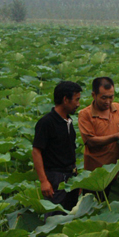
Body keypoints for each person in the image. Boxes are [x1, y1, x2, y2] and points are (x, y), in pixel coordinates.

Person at [32, 80, 82, 211]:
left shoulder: (69, 122)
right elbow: (36, 151)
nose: (78, 104)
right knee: (55, 216)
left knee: (71, 214)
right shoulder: (46, 122)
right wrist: (44, 181)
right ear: (65, 99)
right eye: (76, 100)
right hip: (55, 178)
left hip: (71, 175)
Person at [78, 76, 119, 172]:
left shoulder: (118, 108)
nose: (108, 102)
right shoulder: (85, 114)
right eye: (103, 98)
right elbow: (90, 141)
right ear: (93, 95)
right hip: (96, 170)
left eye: (111, 97)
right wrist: (115, 137)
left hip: (118, 168)